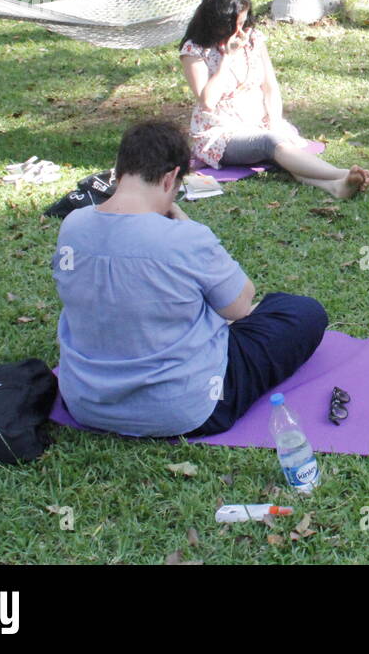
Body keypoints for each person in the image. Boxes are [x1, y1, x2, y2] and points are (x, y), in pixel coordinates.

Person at [52, 121, 329, 437]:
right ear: (170, 178)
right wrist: (185, 225)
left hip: (87, 404)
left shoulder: (73, 225)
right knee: (302, 312)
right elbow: (240, 307)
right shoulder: (184, 238)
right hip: (185, 408)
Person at [178, 0, 369, 198]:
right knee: (271, 143)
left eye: (243, 23)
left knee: (280, 146)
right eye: (233, 26)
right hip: (221, 133)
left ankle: (335, 187)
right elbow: (207, 102)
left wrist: (275, 119)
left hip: (258, 122)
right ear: (216, 24)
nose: (240, 32)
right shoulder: (194, 49)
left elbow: (270, 86)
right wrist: (228, 59)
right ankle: (340, 174)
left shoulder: (254, 40)